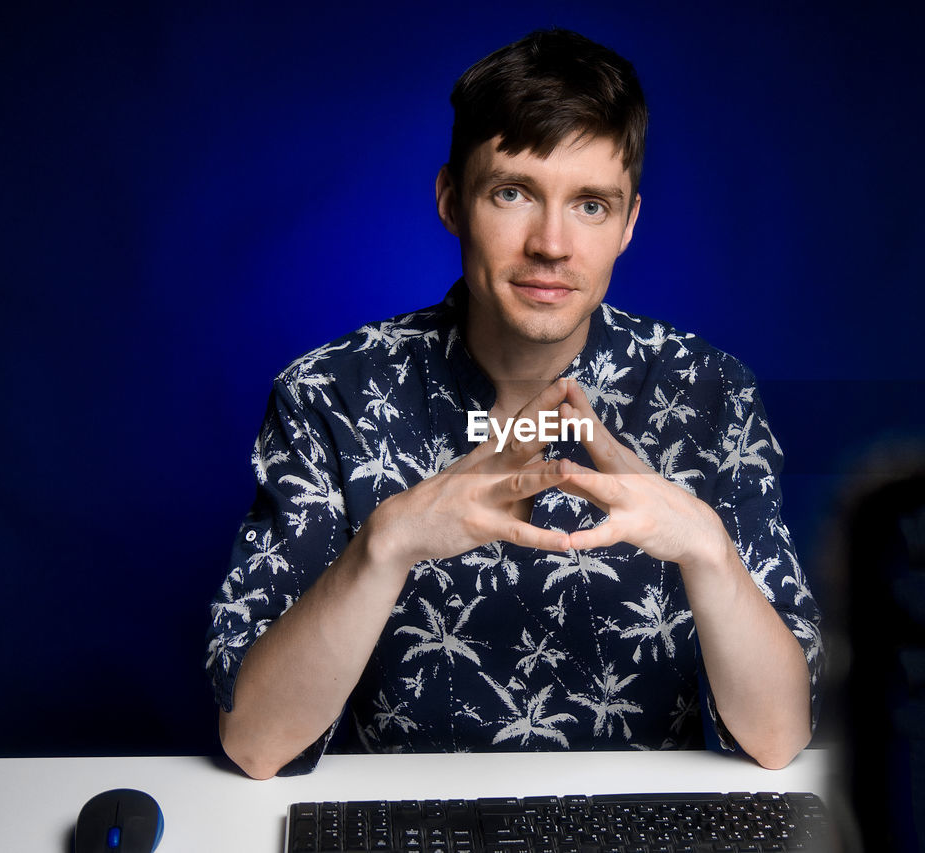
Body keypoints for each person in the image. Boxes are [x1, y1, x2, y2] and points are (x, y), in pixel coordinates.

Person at [205, 27, 822, 779]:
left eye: (591, 205)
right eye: (512, 193)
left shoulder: (712, 396)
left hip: (644, 829)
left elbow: (779, 736)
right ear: (451, 201)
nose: (552, 244)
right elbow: (255, 742)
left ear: (629, 224)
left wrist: (708, 550)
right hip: (411, 829)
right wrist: (387, 541)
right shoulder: (329, 395)